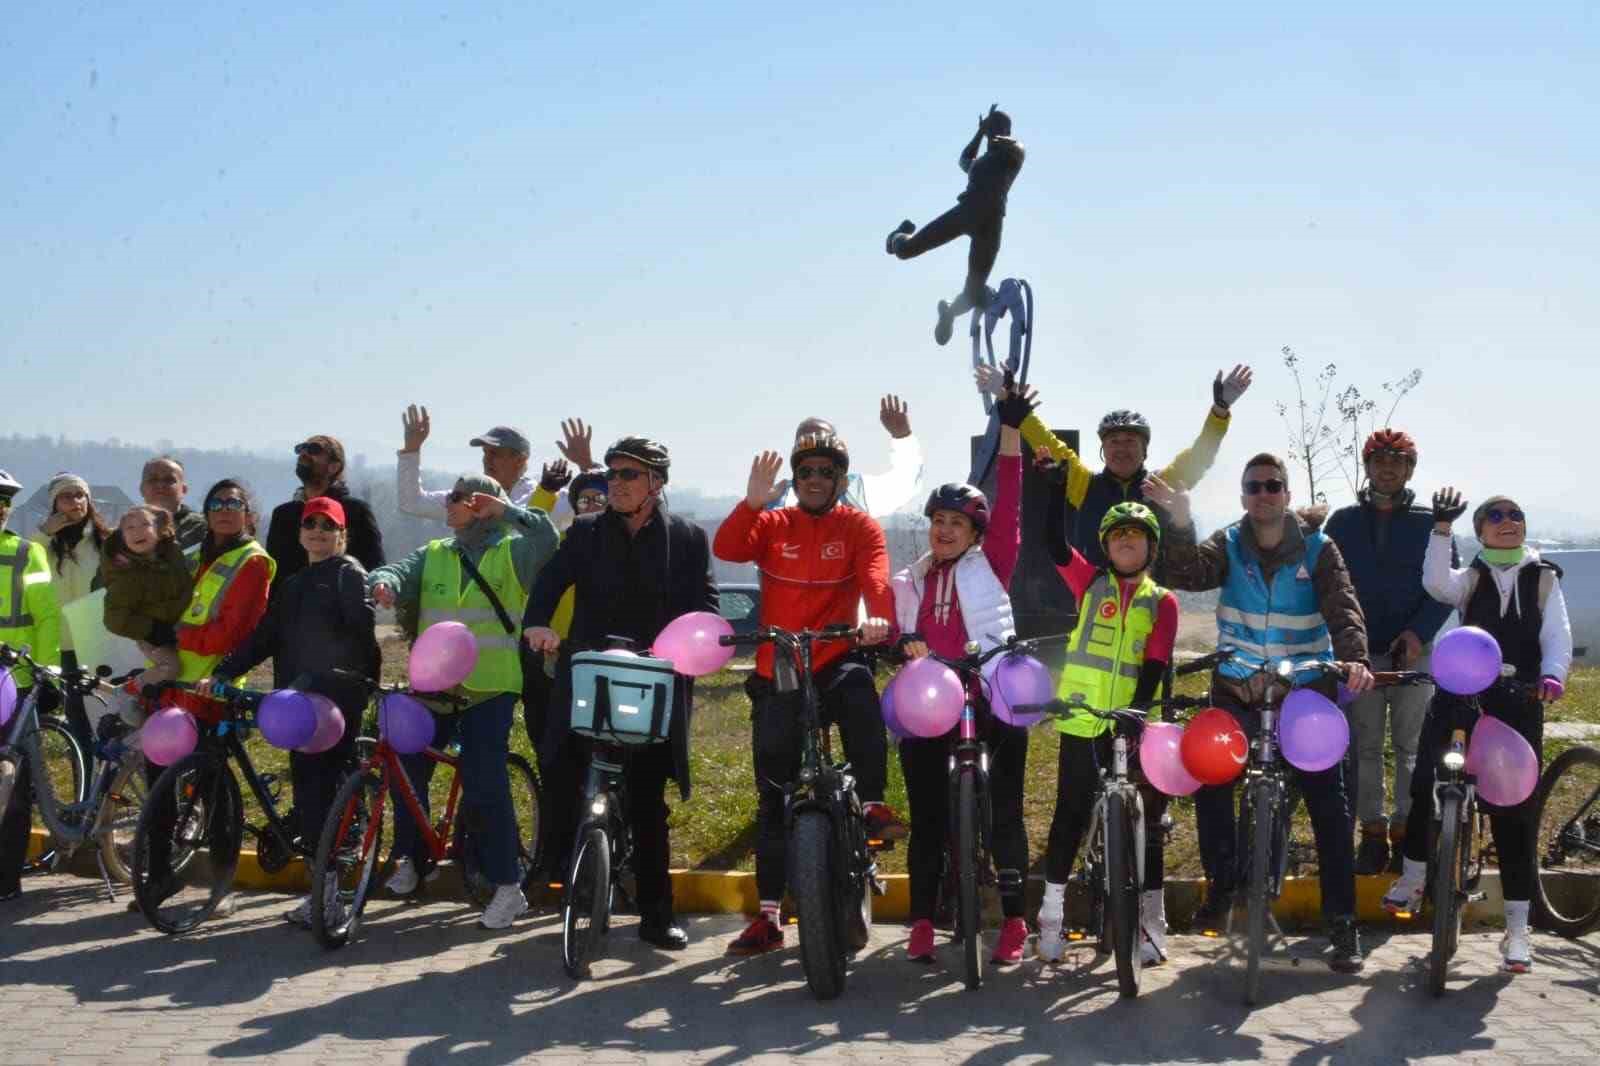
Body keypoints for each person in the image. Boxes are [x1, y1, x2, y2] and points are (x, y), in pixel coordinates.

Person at [1147, 453, 1374, 972]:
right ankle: (1223, 884)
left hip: (1305, 687)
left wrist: (1355, 660)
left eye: (1274, 486)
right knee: (1211, 776)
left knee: (1328, 801)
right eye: (1254, 487)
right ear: (1244, 496)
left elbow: (1343, 607)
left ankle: (1342, 923)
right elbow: (1183, 571)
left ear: (1287, 495)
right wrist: (1180, 520)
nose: (1264, 494)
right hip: (1238, 686)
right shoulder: (1228, 544)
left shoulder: (1319, 549)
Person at [713, 431, 905, 956]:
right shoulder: (774, 523)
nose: (816, 480)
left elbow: (874, 573)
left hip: (836, 656)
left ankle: (871, 803)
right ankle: (769, 917)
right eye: (806, 473)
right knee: (773, 796)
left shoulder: (858, 524)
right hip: (782, 668)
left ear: (840, 480)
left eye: (826, 472)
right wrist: (752, 502)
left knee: (861, 692)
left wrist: (878, 615)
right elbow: (727, 548)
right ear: (795, 482)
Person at [524, 437, 715, 950]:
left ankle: (657, 914)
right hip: (591, 674)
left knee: (649, 800)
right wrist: (538, 625)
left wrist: (707, 642)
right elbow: (550, 583)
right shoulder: (586, 532)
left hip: (654, 679)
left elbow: (707, 605)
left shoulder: (687, 538)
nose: (616, 483)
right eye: (612, 474)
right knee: (566, 773)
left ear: (656, 482)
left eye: (629, 474)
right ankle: (567, 877)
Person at [1383, 490, 1572, 974]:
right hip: (1463, 693)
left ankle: (1517, 929)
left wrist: (1553, 675)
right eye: (1496, 516)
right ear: (1482, 529)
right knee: (1428, 776)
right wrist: (1441, 529)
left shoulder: (1544, 578)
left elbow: (1557, 635)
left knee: (1514, 812)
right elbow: (1435, 583)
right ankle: (1415, 876)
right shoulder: (1471, 578)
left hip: (1520, 698)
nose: (1507, 521)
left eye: (1516, 514)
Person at [369, 475, 557, 929]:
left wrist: (508, 510)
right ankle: (412, 860)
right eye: (450, 496)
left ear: (481, 505)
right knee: (406, 763)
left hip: (489, 687)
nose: (448, 504)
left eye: (459, 498)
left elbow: (547, 537)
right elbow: (395, 570)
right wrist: (383, 583)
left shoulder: (513, 551)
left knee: (484, 781)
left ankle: (508, 888)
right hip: (433, 686)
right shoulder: (436, 553)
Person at [892, 381, 1031, 964]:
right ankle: (923, 920)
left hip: (992, 695)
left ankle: (1016, 923)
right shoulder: (914, 579)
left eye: (957, 522)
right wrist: (898, 640)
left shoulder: (992, 560)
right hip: (929, 706)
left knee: (1005, 811)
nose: (944, 529)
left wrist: (1010, 429)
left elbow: (1012, 501)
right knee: (926, 817)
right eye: (938, 520)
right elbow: (894, 626)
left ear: (976, 532)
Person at [207, 496, 379, 929]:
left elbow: (363, 638)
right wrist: (226, 671)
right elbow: (266, 636)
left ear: (342, 534)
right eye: (310, 524)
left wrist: (358, 686)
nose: (318, 531)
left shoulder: (349, 575)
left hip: (334, 703)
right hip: (298, 704)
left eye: (328, 525)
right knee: (308, 793)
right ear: (300, 532)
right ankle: (319, 889)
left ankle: (333, 895)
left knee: (326, 795)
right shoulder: (296, 583)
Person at [1035, 499, 1182, 967]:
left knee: (1150, 822)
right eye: (1117, 534)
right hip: (1082, 718)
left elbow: (1156, 660)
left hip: (1130, 721)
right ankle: (1051, 920)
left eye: (1135, 534)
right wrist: (1052, 488)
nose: (1125, 539)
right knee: (1070, 816)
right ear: (1105, 545)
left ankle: (1151, 924)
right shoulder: (1091, 583)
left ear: (1150, 546)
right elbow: (1053, 544)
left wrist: (1137, 710)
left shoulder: (1163, 601)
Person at [132, 478, 276, 912]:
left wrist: (175, 634)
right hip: (174, 689)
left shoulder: (253, 561)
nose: (225, 509)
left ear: (249, 514)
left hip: (215, 690)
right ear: (207, 511)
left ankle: (221, 886)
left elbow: (233, 633)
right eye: (217, 502)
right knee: (158, 785)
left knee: (216, 796)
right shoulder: (200, 558)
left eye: (235, 503)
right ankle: (158, 877)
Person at [1325, 429, 1457, 874]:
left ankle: (1406, 831)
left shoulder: (1429, 523)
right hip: (1359, 653)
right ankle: (1373, 834)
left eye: (1397, 461)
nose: (1387, 468)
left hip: (1414, 652)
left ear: (1410, 469)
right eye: (1379, 460)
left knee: (1411, 746)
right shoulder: (1341, 522)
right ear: (1366, 467)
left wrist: (1418, 634)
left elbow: (1443, 589)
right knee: (1363, 745)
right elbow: (1328, 583)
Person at [998, 365, 1253, 575]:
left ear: (1145, 449)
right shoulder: (1084, 484)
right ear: (1103, 449)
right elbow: (1052, 445)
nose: (1121, 449)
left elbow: (1201, 455)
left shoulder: (1161, 485)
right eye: (1113, 442)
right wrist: (1018, 411)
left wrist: (1219, 411)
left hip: (1151, 601)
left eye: (1130, 441)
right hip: (1096, 598)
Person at [886, 105, 1026, 346]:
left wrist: (994, 133)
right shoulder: (981, 163)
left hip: (991, 225)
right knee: (907, 250)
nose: (996, 133)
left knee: (972, 292)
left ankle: (949, 313)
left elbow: (1012, 144)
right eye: (994, 128)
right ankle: (896, 238)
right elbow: (964, 158)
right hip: (967, 213)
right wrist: (980, 134)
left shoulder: (1012, 157)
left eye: (1000, 129)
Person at [0, 469, 62, 904]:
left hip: (14, 687)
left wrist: (46, 675)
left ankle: (5, 877)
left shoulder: (27, 554)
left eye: (4, 503)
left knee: (12, 787)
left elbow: (47, 619)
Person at [519, 461, 607, 752]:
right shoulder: (562, 542)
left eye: (599, 498)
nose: (591, 505)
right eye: (584, 499)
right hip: (548, 648)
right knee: (542, 729)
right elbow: (530, 526)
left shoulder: (623, 545)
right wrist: (545, 491)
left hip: (597, 651)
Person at [395, 407, 576, 531]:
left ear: (520, 460)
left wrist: (587, 464)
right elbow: (411, 503)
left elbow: (596, 505)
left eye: (495, 453)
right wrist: (411, 450)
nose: (486, 460)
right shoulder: (467, 496)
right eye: (485, 453)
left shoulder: (551, 497)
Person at [34, 473, 110, 755]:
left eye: (80, 495)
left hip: (98, 643)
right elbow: (22, 564)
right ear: (55, 503)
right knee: (76, 722)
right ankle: (86, 783)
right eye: (66, 496)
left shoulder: (105, 541)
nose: (75, 502)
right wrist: (44, 532)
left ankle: (108, 786)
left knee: (104, 719)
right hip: (60, 645)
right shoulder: (43, 544)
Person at [765, 397, 925, 519]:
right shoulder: (777, 498)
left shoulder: (855, 491)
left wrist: (903, 438)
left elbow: (905, 484)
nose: (814, 444)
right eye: (806, 440)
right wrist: (754, 504)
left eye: (821, 439)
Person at [99, 506, 193, 702]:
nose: (138, 531)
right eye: (129, 528)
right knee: (171, 667)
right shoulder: (126, 575)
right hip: (152, 635)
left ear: (158, 530)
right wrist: (153, 630)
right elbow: (113, 619)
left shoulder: (172, 553)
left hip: (181, 625)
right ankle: (127, 690)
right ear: (122, 537)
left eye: (145, 524)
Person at [265, 435, 384, 581]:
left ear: (334, 466)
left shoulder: (356, 511)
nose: (304, 453)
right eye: (301, 448)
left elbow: (375, 569)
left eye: (314, 449)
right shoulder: (283, 515)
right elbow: (273, 576)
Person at [139, 455, 207, 551]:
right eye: (153, 480)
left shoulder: (205, 529)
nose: (160, 485)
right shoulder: (127, 530)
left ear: (184, 489)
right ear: (141, 489)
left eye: (169, 480)